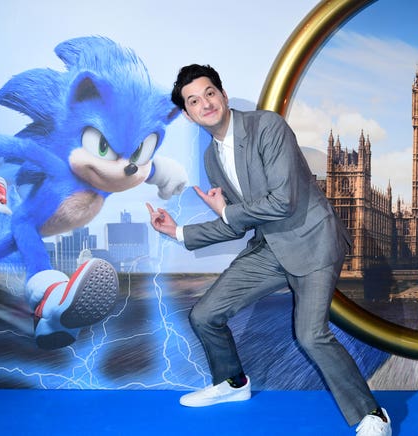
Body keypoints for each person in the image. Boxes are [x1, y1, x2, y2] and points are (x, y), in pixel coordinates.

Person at [146, 64, 392, 436]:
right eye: (194, 100)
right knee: (205, 314)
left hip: (313, 240)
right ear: (188, 113)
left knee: (311, 334)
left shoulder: (267, 126)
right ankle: (232, 383)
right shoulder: (211, 159)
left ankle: (373, 414)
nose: (205, 103)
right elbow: (237, 223)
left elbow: (283, 202)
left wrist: (227, 210)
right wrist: (178, 231)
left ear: (224, 95)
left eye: (210, 93)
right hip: (271, 247)